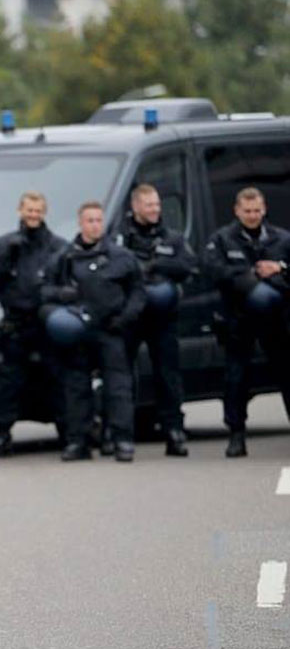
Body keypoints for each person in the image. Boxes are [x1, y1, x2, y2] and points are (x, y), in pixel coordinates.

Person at [42, 201, 145, 462]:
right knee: (76, 388)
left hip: (111, 330)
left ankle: (122, 439)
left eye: (99, 220)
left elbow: (137, 292)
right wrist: (61, 295)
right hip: (77, 331)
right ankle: (78, 441)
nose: (95, 225)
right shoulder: (64, 258)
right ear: (80, 223)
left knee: (118, 387)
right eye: (90, 220)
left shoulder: (121, 256)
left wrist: (125, 318)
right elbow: (44, 292)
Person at [200, 187, 290, 457]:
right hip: (239, 319)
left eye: (257, 211)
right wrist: (249, 275)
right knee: (236, 379)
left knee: (287, 375)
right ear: (237, 211)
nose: (252, 216)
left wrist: (279, 269)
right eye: (247, 211)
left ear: (264, 210)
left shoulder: (282, 239)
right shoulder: (222, 239)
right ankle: (236, 434)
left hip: (278, 320)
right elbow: (212, 269)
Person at [0, 192, 69, 458]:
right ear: (20, 210)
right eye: (29, 210)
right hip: (16, 322)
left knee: (57, 377)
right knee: (9, 382)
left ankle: (69, 432)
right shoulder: (5, 244)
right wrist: (7, 255)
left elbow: (68, 281)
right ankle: (2, 434)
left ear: (44, 212)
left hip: (47, 322)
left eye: (38, 210)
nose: (33, 215)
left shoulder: (58, 247)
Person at [114, 183, 194, 456]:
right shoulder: (119, 238)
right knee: (123, 375)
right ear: (136, 207)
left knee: (168, 374)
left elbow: (188, 266)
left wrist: (158, 266)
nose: (154, 210)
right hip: (130, 316)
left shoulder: (171, 238)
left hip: (163, 318)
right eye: (149, 205)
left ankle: (174, 430)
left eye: (157, 205)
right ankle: (121, 432)